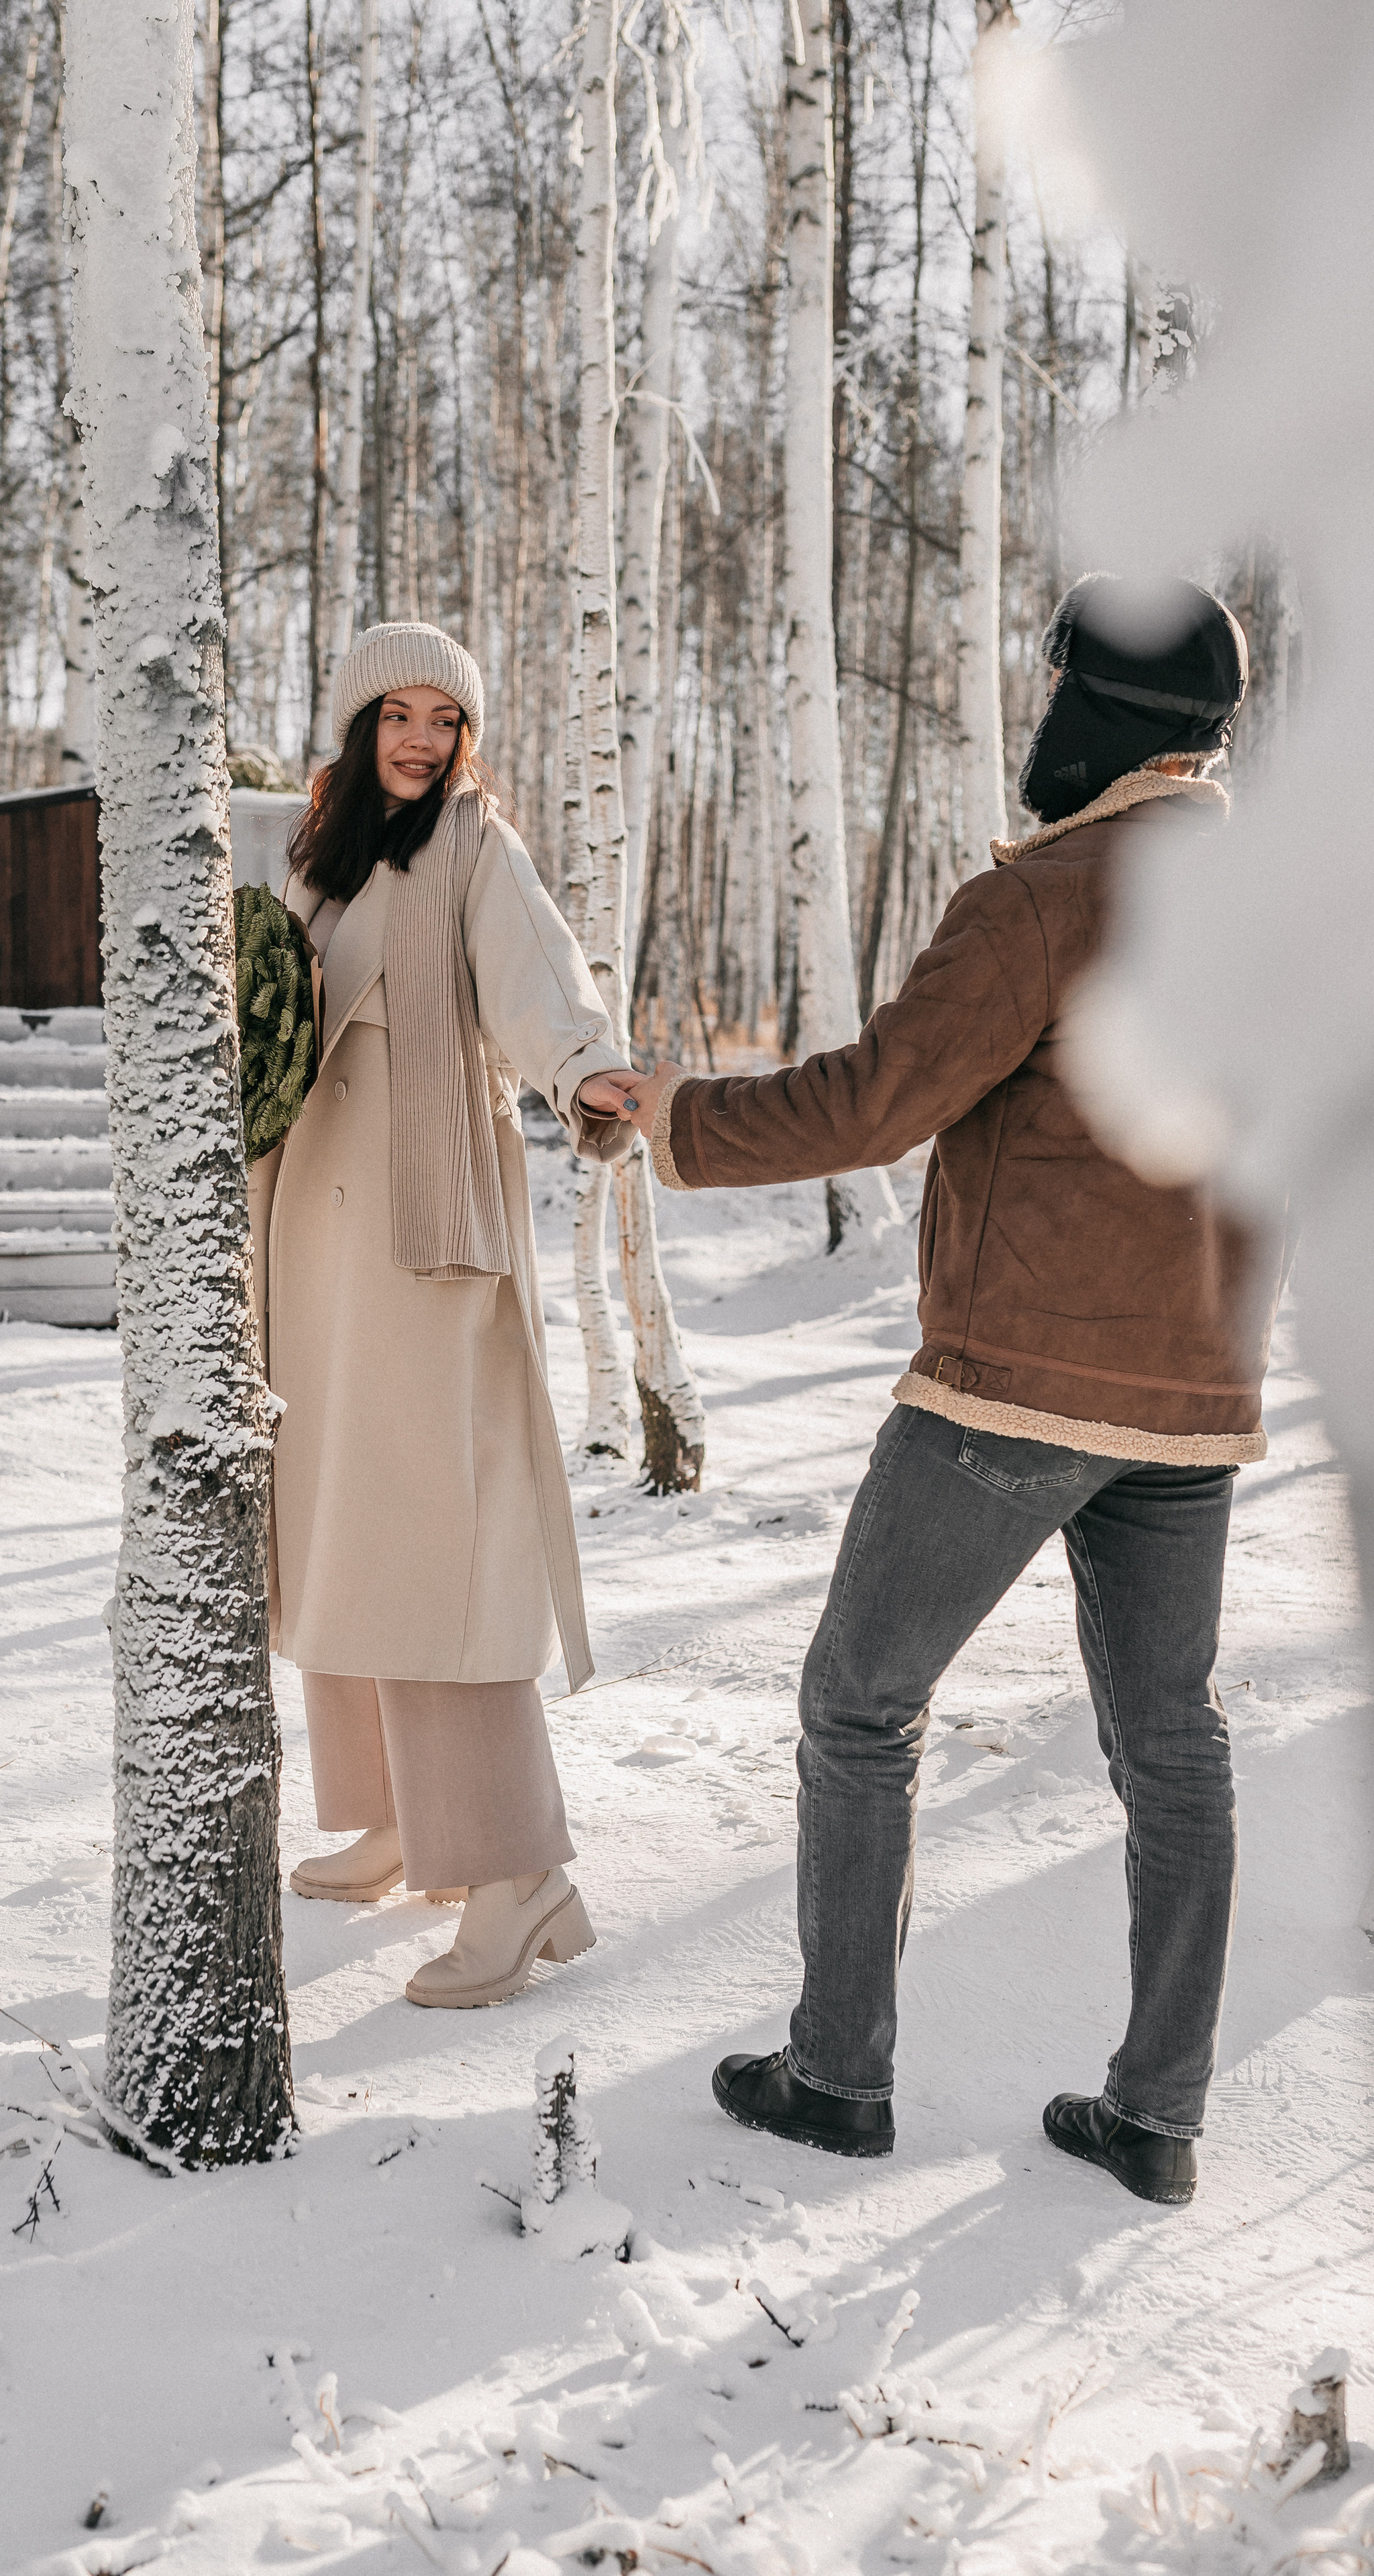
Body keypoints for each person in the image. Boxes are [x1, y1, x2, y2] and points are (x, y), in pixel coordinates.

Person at [619, 574, 1273, 2204]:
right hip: (1190, 1392)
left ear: (1086, 713)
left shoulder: (1047, 895)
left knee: (857, 1705)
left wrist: (674, 1118)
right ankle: (1155, 2116)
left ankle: (837, 2077)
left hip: (1014, 1390)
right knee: (1171, 1749)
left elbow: (880, 1098)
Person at [250, 621, 640, 2008]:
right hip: (314, 1237)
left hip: (425, 1245)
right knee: (340, 1518)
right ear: (354, 732)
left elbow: (542, 984)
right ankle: (399, 1816)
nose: (420, 739)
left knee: (433, 1547)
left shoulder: (475, 847)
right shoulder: (313, 853)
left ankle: (516, 1874)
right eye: (393, 716)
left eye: (443, 719)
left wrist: (589, 1076)